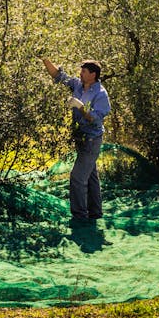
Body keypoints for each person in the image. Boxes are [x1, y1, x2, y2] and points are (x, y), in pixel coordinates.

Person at [42, 58, 111, 225]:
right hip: (80, 137)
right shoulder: (78, 85)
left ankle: (79, 216)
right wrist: (44, 59)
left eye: (84, 72)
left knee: (78, 178)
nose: (80, 74)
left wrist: (80, 106)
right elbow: (59, 75)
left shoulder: (100, 94)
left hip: (92, 139)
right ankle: (95, 212)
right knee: (91, 176)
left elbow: (95, 118)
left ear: (93, 75)